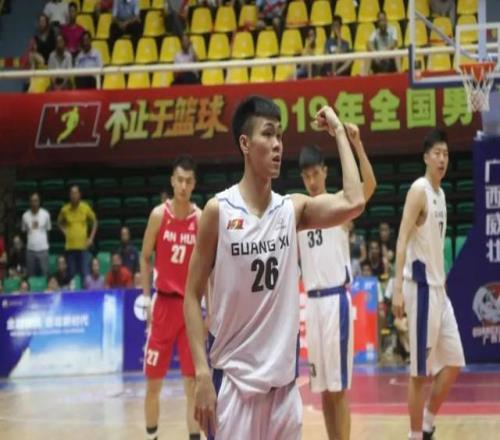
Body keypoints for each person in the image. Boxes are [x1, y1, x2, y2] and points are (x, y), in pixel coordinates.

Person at [183, 96, 365, 439]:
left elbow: (354, 201)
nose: (278, 144)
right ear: (245, 144)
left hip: (284, 392)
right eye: (268, 134)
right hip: (233, 386)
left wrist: (339, 132)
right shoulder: (218, 212)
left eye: (280, 136)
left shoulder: (291, 210)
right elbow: (191, 296)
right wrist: (202, 374)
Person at [297, 127, 376, 440]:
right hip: (312, 305)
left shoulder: (340, 204)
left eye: (315, 174)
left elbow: (369, 185)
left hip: (335, 302)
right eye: (306, 176)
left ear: (325, 172)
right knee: (324, 391)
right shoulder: (299, 211)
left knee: (339, 389)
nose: (312, 181)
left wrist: (357, 143)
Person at [392, 129, 465, 440]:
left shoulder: (441, 194)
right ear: (425, 157)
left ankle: (427, 424)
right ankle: (414, 436)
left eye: (446, 154)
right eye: (437, 153)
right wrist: (397, 287)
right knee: (420, 373)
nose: (442, 159)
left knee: (455, 361)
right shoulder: (418, 190)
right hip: (420, 290)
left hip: (439, 291)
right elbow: (402, 238)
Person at [141, 155, 201, 440]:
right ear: (172, 181)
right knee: (154, 383)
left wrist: (210, 309)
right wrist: (145, 299)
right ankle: (151, 436)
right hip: (163, 305)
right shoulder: (158, 215)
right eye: (180, 180)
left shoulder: (200, 218)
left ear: (194, 184)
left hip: (190, 307)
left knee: (192, 384)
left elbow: (208, 268)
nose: (183, 186)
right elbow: (144, 256)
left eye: (188, 181)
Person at [58, 185, 98, 280]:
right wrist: (65, 232)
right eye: (72, 193)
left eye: (76, 193)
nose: (74, 195)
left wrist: (91, 238)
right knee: (72, 276)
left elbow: (95, 222)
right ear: (69, 195)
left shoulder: (85, 207)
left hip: (83, 248)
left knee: (85, 275)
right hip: (70, 248)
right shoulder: (65, 209)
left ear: (79, 195)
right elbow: (59, 223)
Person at [22, 192, 52, 278]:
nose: (34, 203)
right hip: (30, 251)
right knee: (30, 276)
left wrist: (45, 245)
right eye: (32, 201)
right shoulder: (25, 216)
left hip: (43, 250)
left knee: (45, 275)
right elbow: (24, 233)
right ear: (29, 202)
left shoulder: (46, 214)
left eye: (36, 200)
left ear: (39, 201)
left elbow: (48, 231)